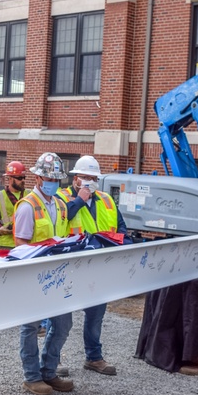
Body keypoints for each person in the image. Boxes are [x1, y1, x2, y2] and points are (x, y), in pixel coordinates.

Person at [56, 155, 127, 376]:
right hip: (70, 266)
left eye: (93, 178)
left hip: (98, 266)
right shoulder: (61, 197)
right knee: (59, 317)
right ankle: (53, 360)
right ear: (75, 178)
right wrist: (79, 199)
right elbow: (62, 218)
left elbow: (121, 228)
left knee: (96, 314)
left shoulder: (106, 199)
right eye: (85, 177)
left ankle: (94, 358)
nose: (89, 182)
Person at [12, 152, 75, 395]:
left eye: (57, 179)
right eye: (49, 178)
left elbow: (64, 236)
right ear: (38, 178)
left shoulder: (59, 204)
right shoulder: (28, 206)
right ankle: (32, 377)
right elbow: (20, 245)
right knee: (30, 326)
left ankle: (49, 371)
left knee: (63, 324)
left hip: (57, 276)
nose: (53, 183)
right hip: (34, 275)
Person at [0, 161, 27, 249]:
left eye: (24, 177)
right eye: (20, 178)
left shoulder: (29, 195)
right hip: (5, 244)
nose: (23, 181)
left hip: (25, 243)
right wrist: (0, 229)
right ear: (10, 178)